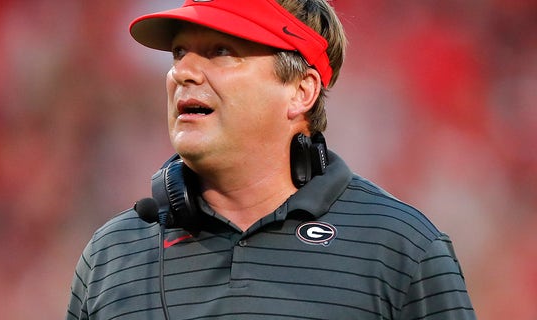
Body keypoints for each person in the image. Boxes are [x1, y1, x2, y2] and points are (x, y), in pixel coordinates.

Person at [66, 0, 476, 319]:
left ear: (301, 91)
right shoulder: (112, 255)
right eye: (178, 53)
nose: (183, 72)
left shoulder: (400, 248)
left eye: (221, 51)